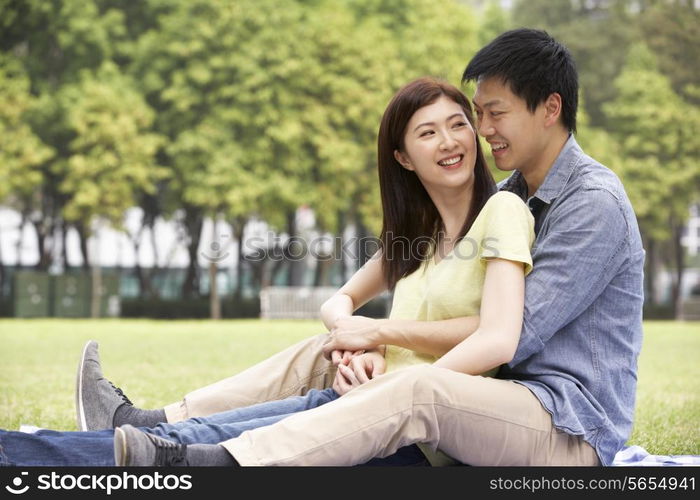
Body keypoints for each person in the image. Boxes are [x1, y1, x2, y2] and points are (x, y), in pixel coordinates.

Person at [109, 28, 644, 467]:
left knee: (412, 389)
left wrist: (383, 347)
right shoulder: (512, 196)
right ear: (403, 158)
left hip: (567, 427)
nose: (481, 132)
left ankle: (220, 464)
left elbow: (510, 334)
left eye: (492, 114)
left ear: (550, 109)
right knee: (348, 363)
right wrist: (366, 346)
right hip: (498, 400)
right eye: (477, 114)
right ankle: (166, 427)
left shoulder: (592, 203)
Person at [0, 76, 534, 467]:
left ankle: (33, 449)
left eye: (458, 124)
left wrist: (377, 336)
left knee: (195, 449)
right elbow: (338, 304)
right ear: (402, 158)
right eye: (428, 133)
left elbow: (496, 331)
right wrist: (357, 342)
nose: (449, 141)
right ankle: (50, 444)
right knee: (199, 437)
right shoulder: (415, 238)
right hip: (362, 400)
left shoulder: (502, 212)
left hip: (402, 426)